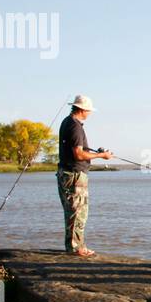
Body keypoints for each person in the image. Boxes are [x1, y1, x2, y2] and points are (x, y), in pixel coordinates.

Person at [56, 94, 113, 257]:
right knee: (78, 211)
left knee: (72, 211)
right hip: (74, 175)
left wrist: (96, 153)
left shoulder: (67, 122)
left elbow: (77, 150)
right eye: (88, 110)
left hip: (66, 173)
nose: (89, 113)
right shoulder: (75, 126)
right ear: (82, 110)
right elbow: (78, 154)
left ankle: (73, 246)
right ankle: (76, 248)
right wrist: (102, 156)